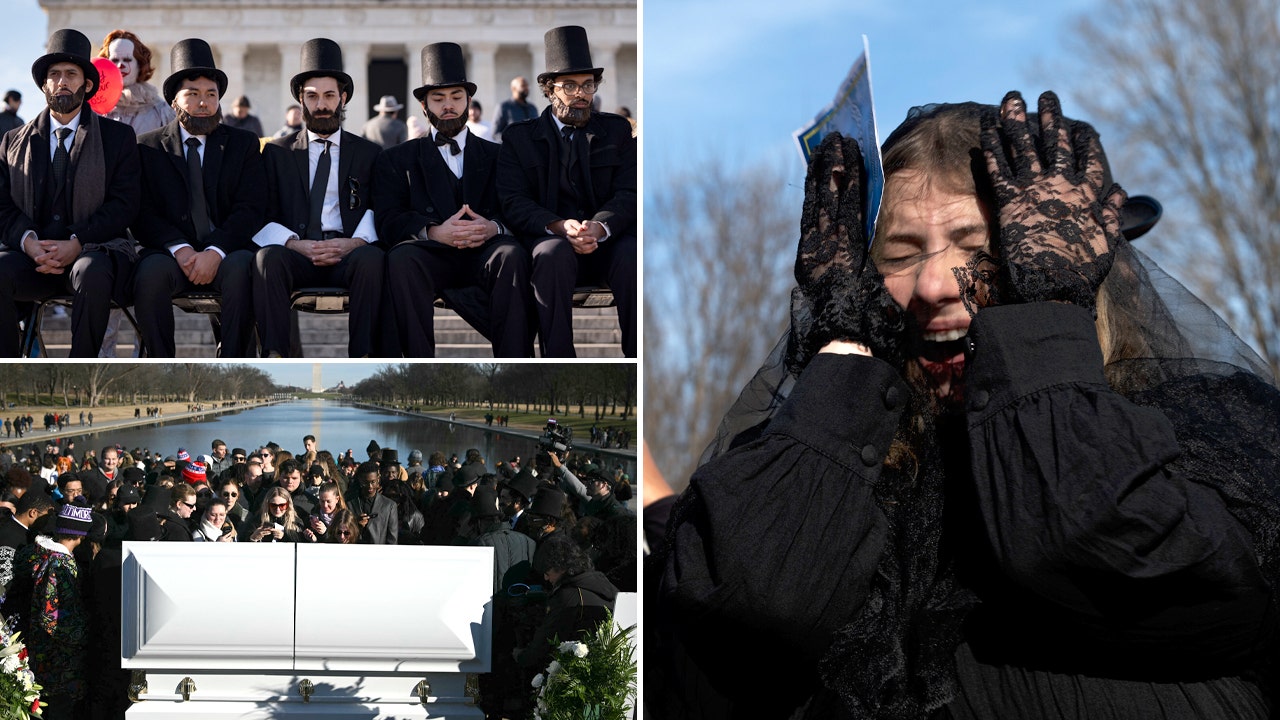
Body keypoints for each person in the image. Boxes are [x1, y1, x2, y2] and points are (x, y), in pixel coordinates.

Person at [651, 92, 1280, 719]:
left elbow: (1093, 543)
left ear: (1065, 258)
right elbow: (748, 602)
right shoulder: (827, 466)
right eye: (899, 254)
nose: (932, 284)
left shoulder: (1206, 432)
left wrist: (1042, 314)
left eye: (979, 246)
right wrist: (845, 342)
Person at [375, 42, 533, 358]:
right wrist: (432, 231)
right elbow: (388, 217)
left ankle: (516, 360)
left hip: (486, 253)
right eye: (438, 99)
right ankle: (417, 365)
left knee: (512, 255)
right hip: (432, 255)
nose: (448, 105)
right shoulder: (397, 158)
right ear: (423, 106)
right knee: (401, 259)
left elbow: (518, 205)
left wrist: (493, 228)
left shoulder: (499, 155)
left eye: (456, 97)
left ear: (469, 101)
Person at [0, 29, 141, 357]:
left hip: (91, 252)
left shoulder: (118, 137)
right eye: (54, 75)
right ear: (44, 85)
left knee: (92, 272)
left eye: (71, 74)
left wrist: (77, 241)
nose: (61, 81)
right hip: (32, 258)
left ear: (87, 85)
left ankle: (83, 366)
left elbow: (124, 204)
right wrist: (29, 243)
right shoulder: (11, 141)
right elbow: (2, 206)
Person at [497, 26, 636, 358]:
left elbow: (629, 191)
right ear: (549, 90)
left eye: (588, 85)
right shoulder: (519, 137)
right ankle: (559, 361)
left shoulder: (615, 130)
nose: (581, 94)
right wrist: (559, 225)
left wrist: (599, 227)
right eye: (570, 86)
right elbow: (513, 201)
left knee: (633, 254)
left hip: (607, 242)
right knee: (551, 254)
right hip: (551, 241)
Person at [132, 38, 264, 358]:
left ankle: (233, 360)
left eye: (211, 94)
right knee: (149, 274)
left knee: (243, 269)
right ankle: (161, 362)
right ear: (174, 101)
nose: (203, 102)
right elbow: (142, 212)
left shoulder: (243, 144)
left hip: (227, 251)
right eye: (192, 94)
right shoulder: (147, 147)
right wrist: (180, 249)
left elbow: (251, 207)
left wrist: (215, 251)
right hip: (172, 253)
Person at [253, 38, 383, 359]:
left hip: (348, 253)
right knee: (267, 259)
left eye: (329, 95)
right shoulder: (276, 152)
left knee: (372, 260)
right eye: (312, 96)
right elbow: (259, 210)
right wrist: (295, 244)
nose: (321, 104)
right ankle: (275, 354)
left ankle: (365, 356)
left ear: (343, 98)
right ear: (301, 100)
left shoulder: (369, 153)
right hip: (297, 253)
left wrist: (354, 243)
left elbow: (381, 207)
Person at [4, 502, 94, 720]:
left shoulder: (41, 554)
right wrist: (86, 632)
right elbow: (51, 616)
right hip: (60, 662)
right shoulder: (61, 565)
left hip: (42, 654)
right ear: (80, 535)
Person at [98, 30, 174, 135]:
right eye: (115, 60)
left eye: (127, 59)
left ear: (140, 64)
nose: (120, 65)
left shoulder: (160, 111)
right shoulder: (94, 109)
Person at [494, 75, 537, 141]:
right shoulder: (503, 107)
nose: (526, 88)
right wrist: (511, 143)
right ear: (513, 88)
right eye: (523, 86)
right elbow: (496, 134)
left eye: (527, 86)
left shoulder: (532, 108)